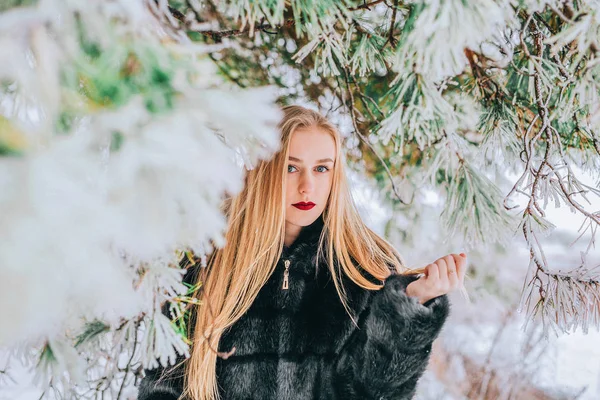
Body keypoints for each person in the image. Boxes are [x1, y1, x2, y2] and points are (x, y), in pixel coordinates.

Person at [138, 105, 467, 400]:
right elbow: (165, 385)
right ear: (263, 169)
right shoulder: (206, 259)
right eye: (291, 168)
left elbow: (376, 392)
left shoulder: (364, 268)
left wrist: (410, 309)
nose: (307, 186)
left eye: (321, 169)